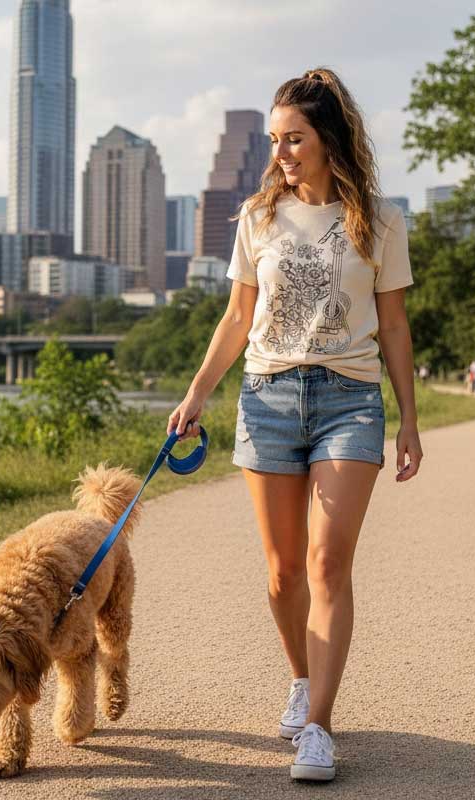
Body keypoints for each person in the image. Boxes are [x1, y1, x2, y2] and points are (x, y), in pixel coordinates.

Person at [166, 68, 422, 783]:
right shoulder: (258, 217)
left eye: (293, 138)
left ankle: (318, 728)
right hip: (268, 397)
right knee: (282, 576)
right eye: (275, 139)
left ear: (328, 138)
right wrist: (194, 398)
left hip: (350, 397)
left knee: (327, 563)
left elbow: (395, 327)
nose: (280, 151)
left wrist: (409, 420)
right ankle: (302, 679)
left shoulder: (380, 218)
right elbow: (237, 319)